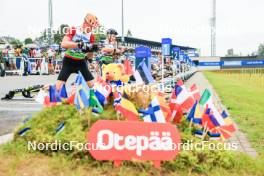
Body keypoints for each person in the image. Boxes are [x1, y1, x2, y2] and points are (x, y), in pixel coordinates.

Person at [56, 13, 99, 90]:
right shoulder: (73, 29)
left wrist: (92, 50)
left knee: (93, 87)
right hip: (69, 61)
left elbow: (89, 56)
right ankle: (43, 90)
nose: (91, 29)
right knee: (58, 88)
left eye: (93, 28)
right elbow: (63, 44)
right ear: (85, 23)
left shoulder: (91, 36)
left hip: (81, 62)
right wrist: (78, 44)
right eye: (91, 27)